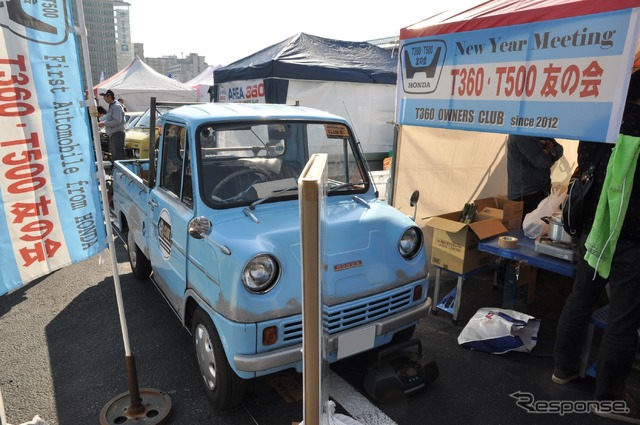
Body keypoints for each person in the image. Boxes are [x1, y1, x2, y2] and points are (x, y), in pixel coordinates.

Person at [553, 70, 640, 423]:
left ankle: (563, 370)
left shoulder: (600, 125)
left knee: (580, 300)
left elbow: (582, 170)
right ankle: (609, 398)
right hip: (632, 239)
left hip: (595, 231)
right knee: (623, 318)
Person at [506, 134, 564, 217]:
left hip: (539, 190)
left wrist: (548, 152)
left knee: (539, 225)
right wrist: (549, 153)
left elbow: (560, 148)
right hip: (526, 195)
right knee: (529, 227)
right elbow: (542, 162)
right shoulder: (522, 134)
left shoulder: (539, 132)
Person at [97, 89, 126, 161]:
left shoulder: (116, 106)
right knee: (115, 156)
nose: (104, 99)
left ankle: (120, 171)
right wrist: (104, 122)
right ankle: (117, 171)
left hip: (117, 134)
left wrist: (104, 123)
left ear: (109, 96)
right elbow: (111, 120)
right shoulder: (112, 106)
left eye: (105, 97)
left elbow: (117, 121)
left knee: (118, 156)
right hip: (113, 134)